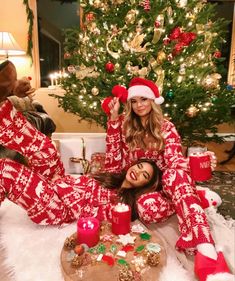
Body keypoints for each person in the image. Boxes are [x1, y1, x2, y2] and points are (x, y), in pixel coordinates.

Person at [0, 61, 164, 226]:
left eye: (145, 176)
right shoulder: (113, 176)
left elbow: (83, 210)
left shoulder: (123, 205)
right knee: (47, 149)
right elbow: (113, 150)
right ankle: (2, 104)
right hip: (59, 182)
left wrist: (59, 186)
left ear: (145, 186)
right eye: (140, 167)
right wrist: (114, 119)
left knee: (5, 170)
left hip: (57, 208)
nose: (138, 172)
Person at [104, 77, 233, 281]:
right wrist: (112, 121)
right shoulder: (124, 126)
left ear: (153, 101)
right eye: (134, 101)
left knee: (175, 173)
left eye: (144, 99)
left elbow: (174, 160)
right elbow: (113, 163)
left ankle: (206, 250)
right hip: (143, 187)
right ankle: (194, 198)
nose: (139, 105)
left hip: (167, 184)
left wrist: (195, 163)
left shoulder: (166, 127)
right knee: (145, 209)